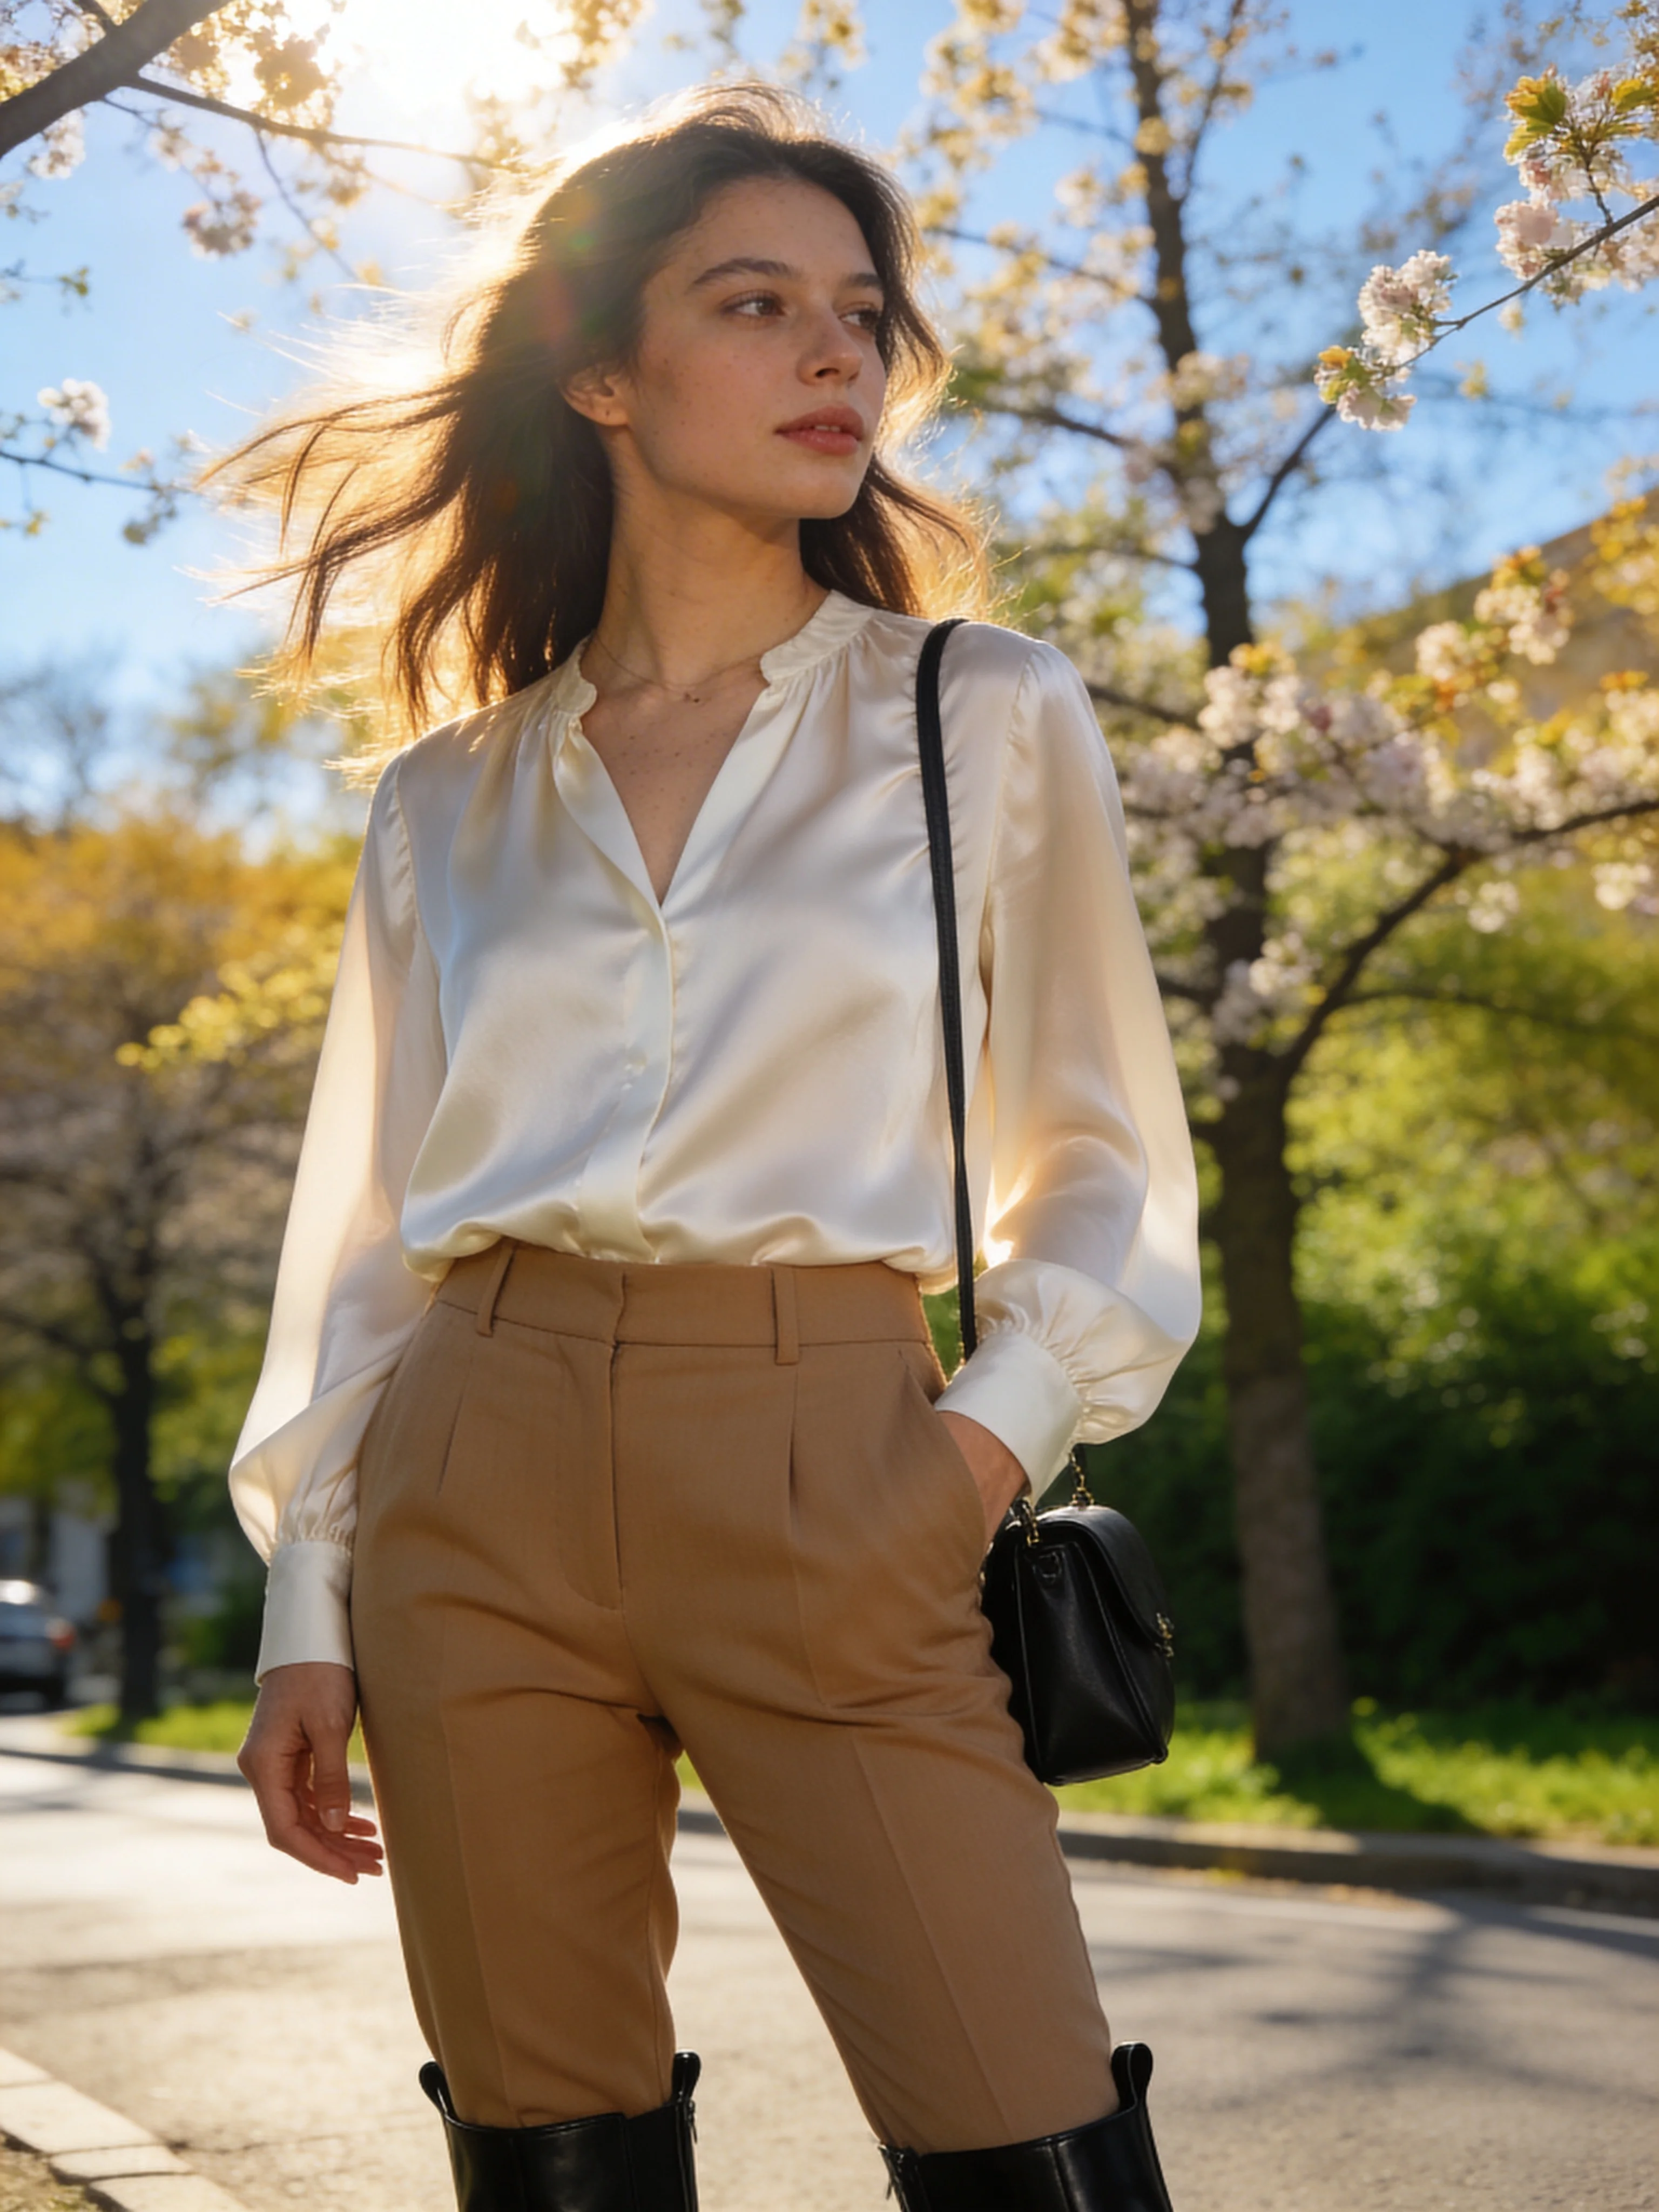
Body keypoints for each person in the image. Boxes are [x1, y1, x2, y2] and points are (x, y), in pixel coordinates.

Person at [220, 80, 1202, 2212]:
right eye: (758, 305)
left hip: (831, 1446)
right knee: (544, 2145)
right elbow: (373, 1234)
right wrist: (317, 1591)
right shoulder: (446, 801)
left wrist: (968, 1449)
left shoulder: (982, 709)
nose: (837, 354)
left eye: (860, 312)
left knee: (1019, 2118)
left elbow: (1103, 1153)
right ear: (598, 368)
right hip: (472, 1473)